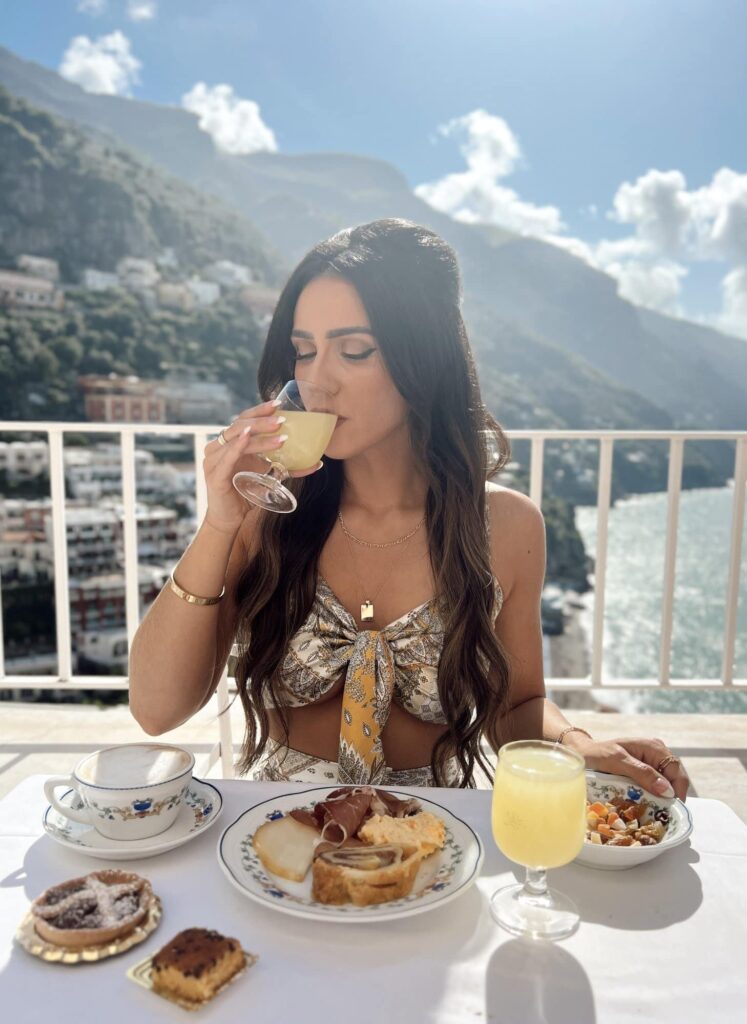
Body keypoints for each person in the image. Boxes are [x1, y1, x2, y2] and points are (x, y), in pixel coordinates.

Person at [129, 218, 690, 799]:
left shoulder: (504, 527)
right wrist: (220, 522)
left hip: (436, 843)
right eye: (303, 351)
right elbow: (155, 711)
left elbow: (518, 706)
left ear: (423, 357)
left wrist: (576, 743)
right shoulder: (268, 515)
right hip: (277, 843)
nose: (317, 379)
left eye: (354, 350)